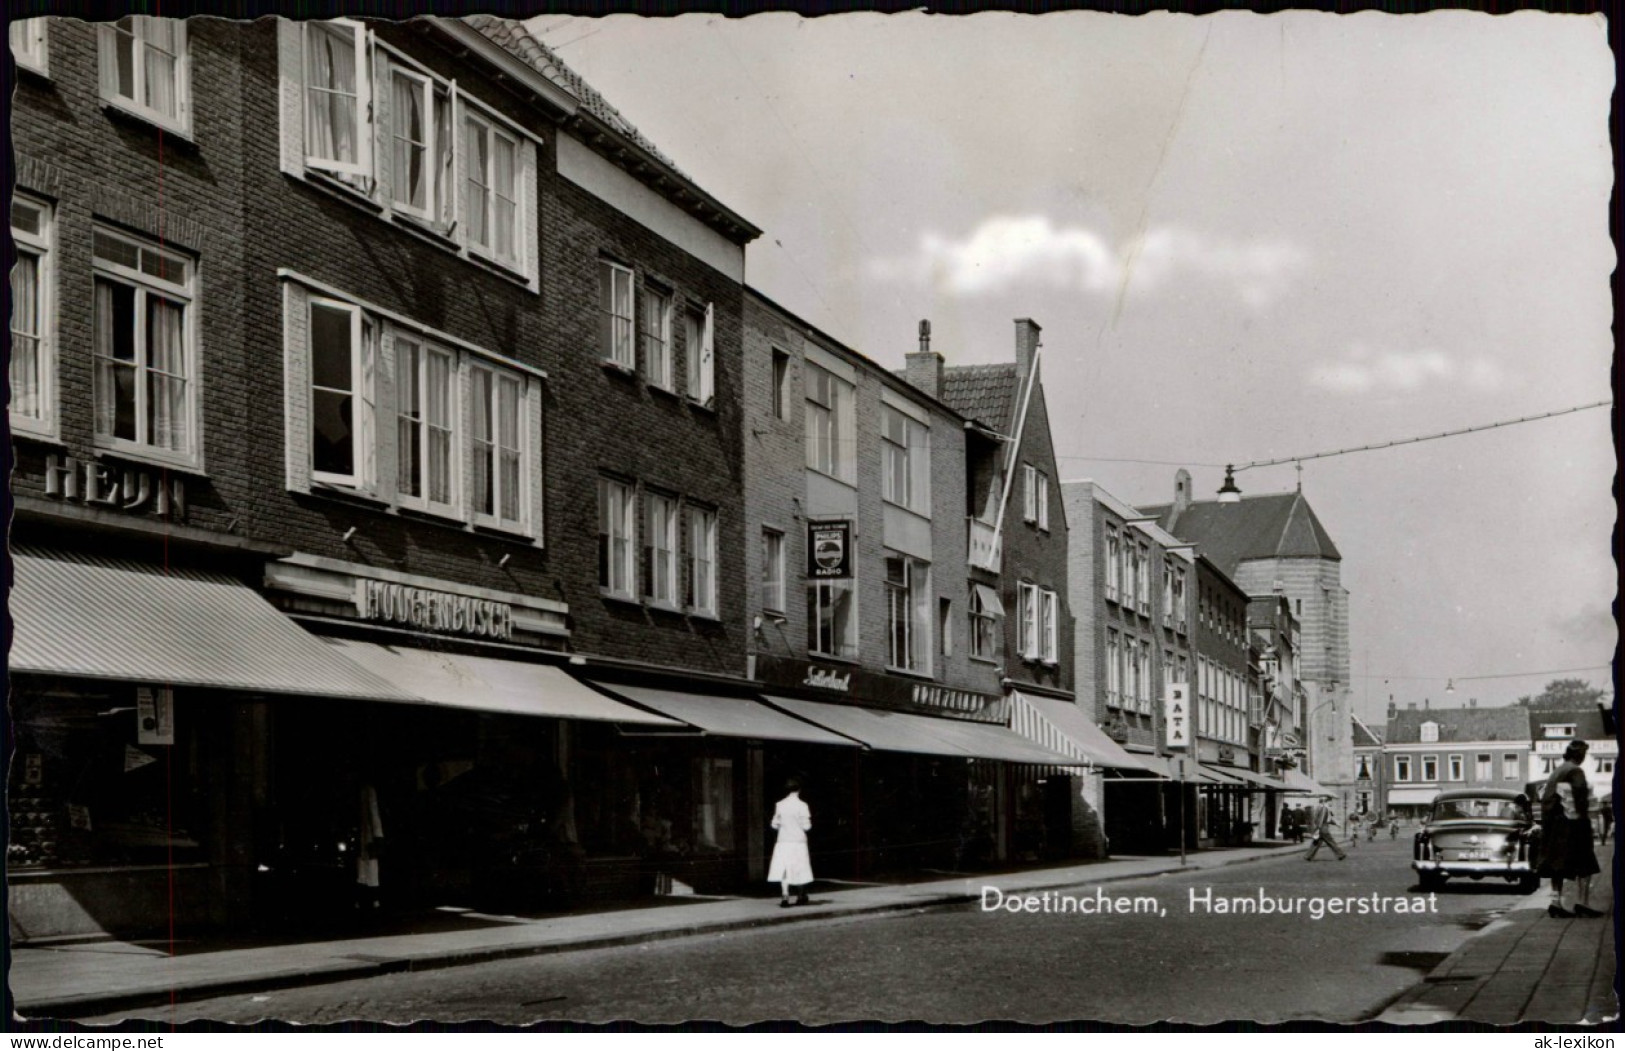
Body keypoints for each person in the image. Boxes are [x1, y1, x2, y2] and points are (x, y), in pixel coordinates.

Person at [1538, 740, 1601, 918]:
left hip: (1554, 824)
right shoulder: (1575, 770)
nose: (1584, 758)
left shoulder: (1557, 771)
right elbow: (1580, 794)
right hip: (1572, 823)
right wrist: (1585, 816)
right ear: (1579, 755)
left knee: (1557, 863)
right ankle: (1583, 903)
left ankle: (1556, 903)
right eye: (1583, 754)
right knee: (1586, 861)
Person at [768, 778, 813, 908]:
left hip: (783, 841)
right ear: (799, 790)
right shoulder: (802, 805)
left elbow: (774, 824)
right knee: (799, 867)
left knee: (784, 868)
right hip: (798, 841)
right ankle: (801, 895)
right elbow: (807, 827)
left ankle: (785, 895)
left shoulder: (780, 804)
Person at [1303, 795, 1347, 861]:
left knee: (1316, 842)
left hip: (1320, 828)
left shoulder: (1320, 808)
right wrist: (1320, 827)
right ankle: (1340, 854)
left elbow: (1316, 819)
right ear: (1327, 801)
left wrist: (1317, 828)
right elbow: (1325, 820)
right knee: (1331, 842)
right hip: (1323, 828)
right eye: (1331, 802)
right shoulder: (1325, 809)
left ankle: (1308, 856)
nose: (1332, 803)